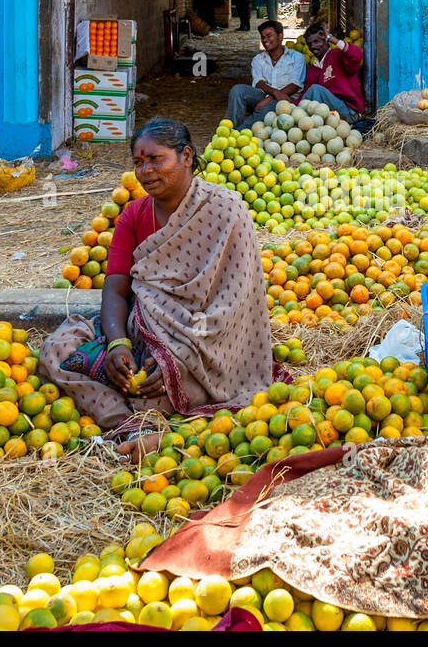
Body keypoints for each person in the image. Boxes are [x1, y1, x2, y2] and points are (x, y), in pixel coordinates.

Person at [39, 119, 274, 451]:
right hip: (141, 333)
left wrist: (175, 360)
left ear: (187, 156)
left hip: (203, 347)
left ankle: (154, 426)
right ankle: (130, 426)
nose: (145, 170)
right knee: (55, 352)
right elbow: (116, 288)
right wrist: (118, 343)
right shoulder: (133, 215)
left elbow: (234, 304)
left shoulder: (226, 210)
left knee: (163, 397)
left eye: (155, 159)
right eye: (138, 162)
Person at [226, 19, 307, 127]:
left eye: (269, 36)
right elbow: (259, 82)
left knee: (269, 108)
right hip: (263, 96)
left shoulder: (297, 57)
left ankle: (239, 134)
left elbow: (295, 85)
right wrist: (273, 93)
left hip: (287, 99)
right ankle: (230, 127)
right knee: (238, 90)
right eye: (262, 37)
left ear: (280, 36)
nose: (265, 40)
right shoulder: (258, 59)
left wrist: (270, 99)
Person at [300, 22, 364, 119]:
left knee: (316, 89)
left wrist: (332, 39)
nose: (312, 46)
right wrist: (291, 108)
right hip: (330, 115)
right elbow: (306, 94)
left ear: (326, 41)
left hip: (349, 111)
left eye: (316, 41)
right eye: (310, 44)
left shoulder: (339, 55)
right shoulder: (312, 70)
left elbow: (356, 55)